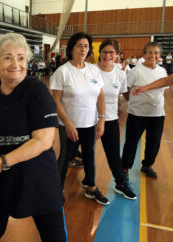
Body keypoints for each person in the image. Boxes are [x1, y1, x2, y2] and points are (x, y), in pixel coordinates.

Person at [0, 32, 67, 242]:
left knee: (54, 237)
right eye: (8, 57)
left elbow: (44, 141)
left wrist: (2, 162)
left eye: (21, 57)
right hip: (0, 181)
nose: (16, 63)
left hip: (38, 179)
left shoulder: (37, 91)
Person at [50, 32, 109, 205]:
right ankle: (56, 188)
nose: (83, 49)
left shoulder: (93, 70)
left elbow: (101, 97)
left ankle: (91, 187)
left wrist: (102, 120)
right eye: (79, 45)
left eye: (86, 46)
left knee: (89, 156)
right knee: (66, 157)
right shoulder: (63, 71)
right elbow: (55, 100)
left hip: (89, 123)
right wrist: (67, 123)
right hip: (69, 124)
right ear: (71, 48)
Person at [95, 39, 137, 199]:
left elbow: (122, 95)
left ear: (117, 54)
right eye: (104, 52)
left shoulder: (120, 74)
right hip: (87, 118)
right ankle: (87, 182)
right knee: (82, 153)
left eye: (111, 52)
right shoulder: (91, 70)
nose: (107, 55)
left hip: (110, 118)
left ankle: (120, 183)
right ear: (100, 53)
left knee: (113, 153)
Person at [122, 42, 167, 179]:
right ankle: (125, 167)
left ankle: (147, 165)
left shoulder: (162, 71)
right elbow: (126, 90)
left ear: (159, 55)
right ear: (144, 54)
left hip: (157, 114)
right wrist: (133, 102)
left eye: (156, 53)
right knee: (131, 142)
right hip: (137, 114)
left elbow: (163, 90)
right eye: (150, 52)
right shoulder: (136, 71)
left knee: (154, 142)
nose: (153, 56)